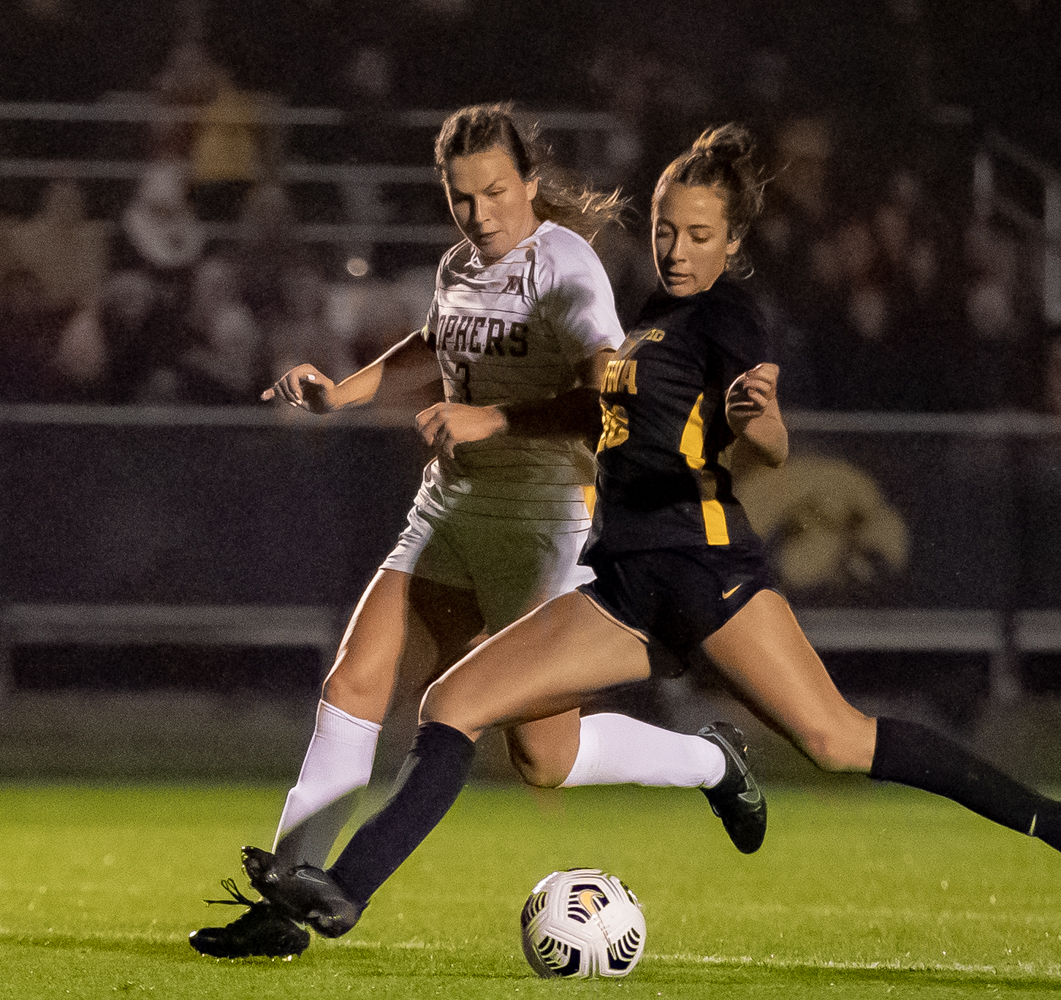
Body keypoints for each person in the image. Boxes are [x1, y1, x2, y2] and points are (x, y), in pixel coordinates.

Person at [231, 124, 1061, 945]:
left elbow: (769, 442)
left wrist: (762, 423)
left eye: (699, 235)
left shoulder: (726, 317)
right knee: (453, 706)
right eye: (668, 229)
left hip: (707, 575)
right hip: (623, 587)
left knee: (835, 742)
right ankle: (343, 891)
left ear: (732, 242)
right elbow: (558, 391)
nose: (676, 247)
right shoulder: (649, 322)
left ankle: (1060, 822)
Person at [188, 105, 767, 961]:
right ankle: (282, 907)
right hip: (449, 510)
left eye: (496, 192)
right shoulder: (459, 262)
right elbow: (439, 337)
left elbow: (609, 398)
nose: (480, 213)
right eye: (462, 197)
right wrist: (344, 393)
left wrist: (494, 419)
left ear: (529, 183)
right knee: (353, 682)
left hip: (543, 523)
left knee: (542, 754)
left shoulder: (567, 269)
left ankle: (712, 763)